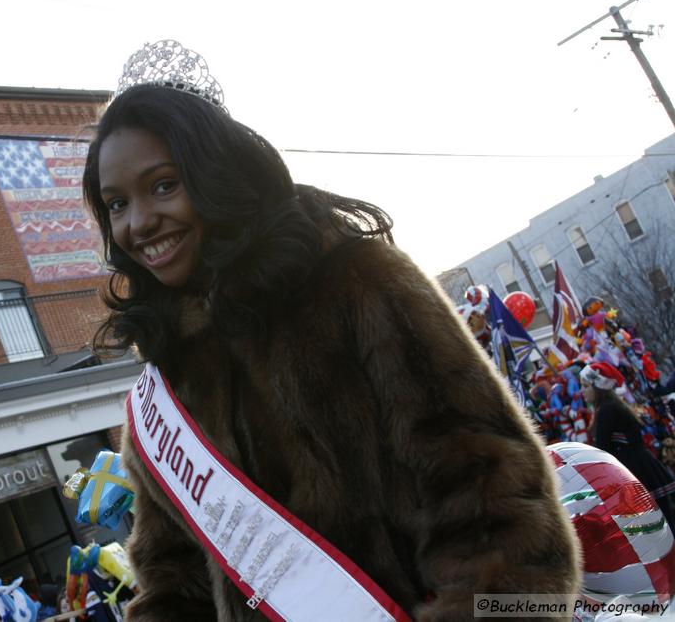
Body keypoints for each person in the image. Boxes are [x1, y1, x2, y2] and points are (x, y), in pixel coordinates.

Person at [83, 40, 580, 621]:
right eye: (116, 204)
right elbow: (175, 588)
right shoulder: (164, 393)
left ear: (216, 175)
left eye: (163, 185)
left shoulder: (359, 285)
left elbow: (499, 514)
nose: (139, 222)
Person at [583, 361, 675, 527]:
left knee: (658, 524)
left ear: (598, 386)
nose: (583, 391)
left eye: (585, 386)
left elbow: (603, 449)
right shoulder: (611, 406)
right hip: (640, 464)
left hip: (635, 469)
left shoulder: (607, 410)